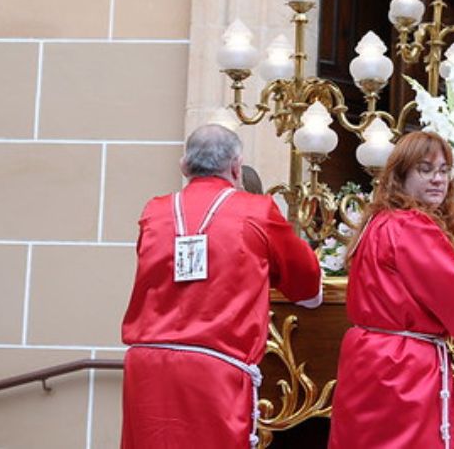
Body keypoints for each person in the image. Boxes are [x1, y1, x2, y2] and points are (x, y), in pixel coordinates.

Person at [121, 124, 323, 448]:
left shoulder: (155, 211)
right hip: (214, 370)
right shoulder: (256, 210)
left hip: (147, 367)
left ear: (184, 166)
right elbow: (307, 284)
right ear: (236, 167)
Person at [328, 131, 454, 449]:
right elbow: (453, 292)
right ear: (400, 175)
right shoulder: (412, 226)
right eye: (425, 169)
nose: (438, 179)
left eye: (444, 170)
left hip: (365, 358)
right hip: (402, 367)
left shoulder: (378, 221)